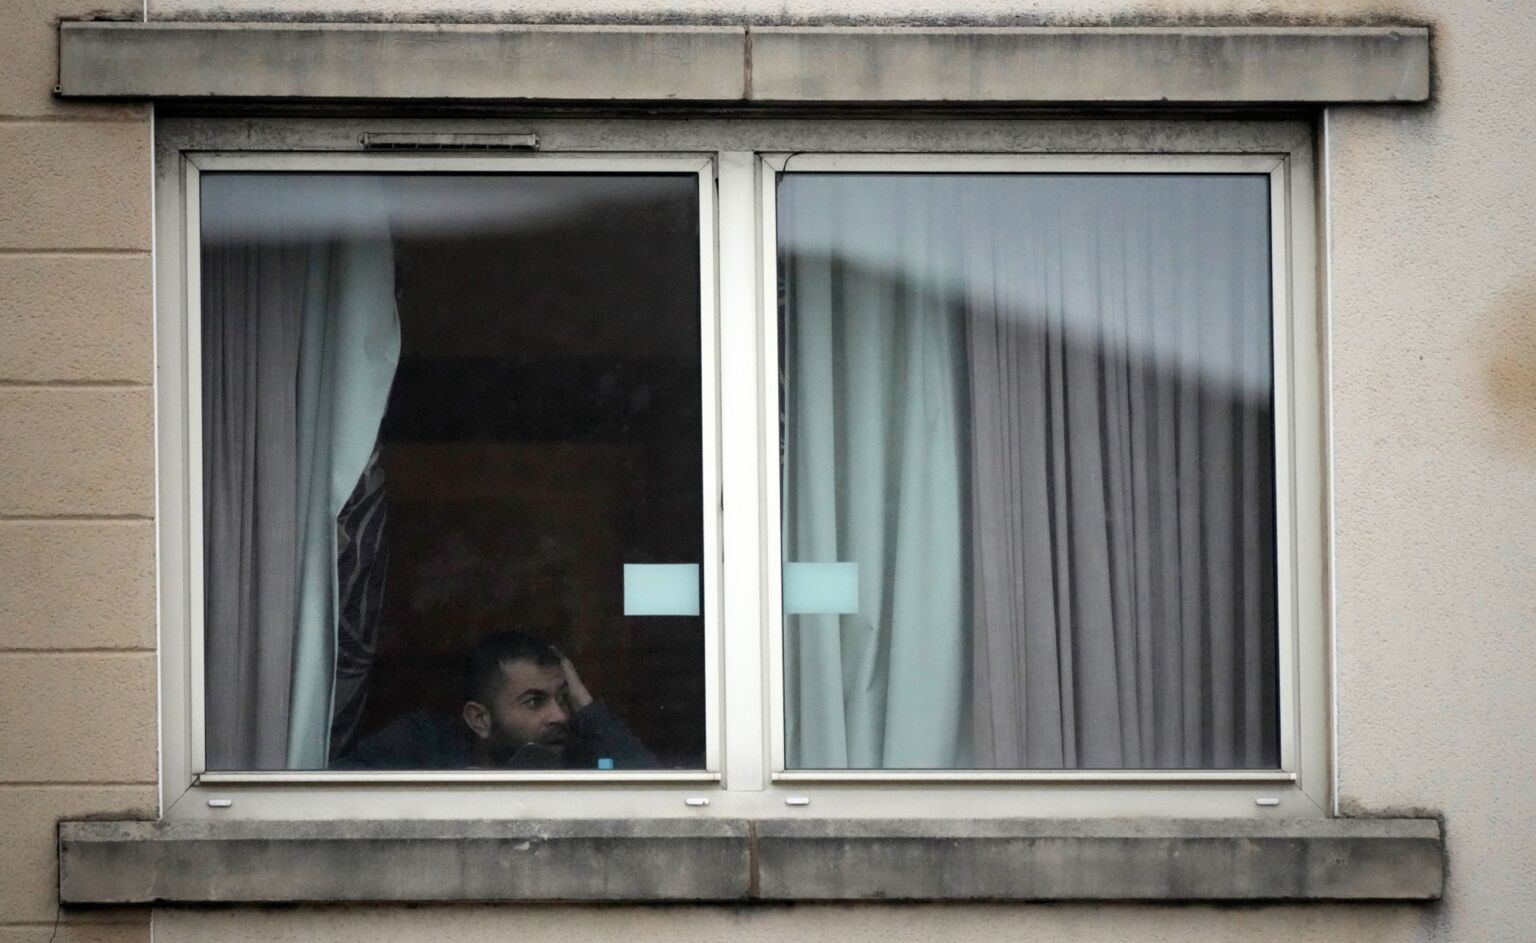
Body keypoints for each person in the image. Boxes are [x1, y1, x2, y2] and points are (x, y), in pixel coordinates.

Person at [333, 630, 657, 770]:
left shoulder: (580, 751)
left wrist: (586, 705)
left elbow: (654, 799)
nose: (559, 715)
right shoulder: (425, 745)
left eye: (563, 698)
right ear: (479, 720)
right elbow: (335, 796)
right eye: (534, 701)